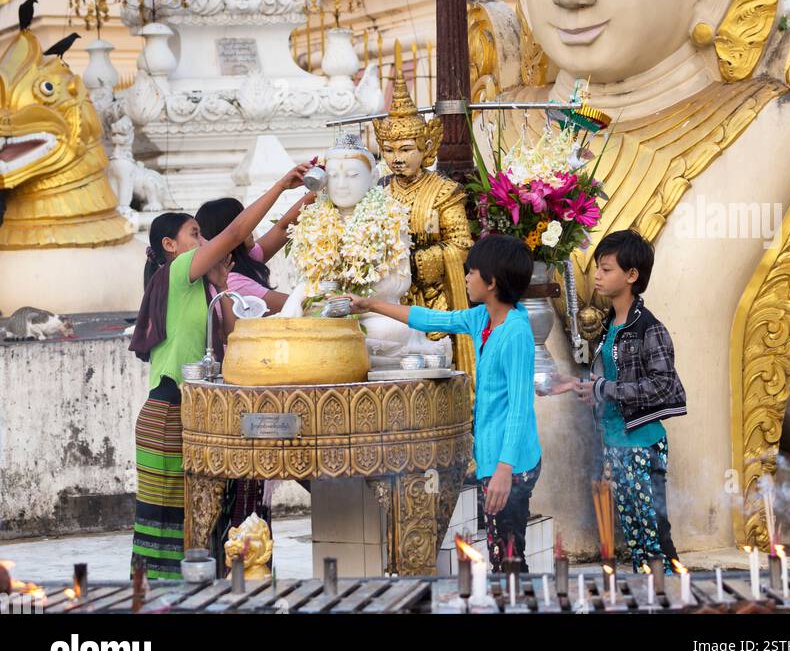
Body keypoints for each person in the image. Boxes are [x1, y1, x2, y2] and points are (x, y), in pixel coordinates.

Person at [128, 166, 307, 580]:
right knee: (168, 517)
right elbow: (233, 235)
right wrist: (280, 184)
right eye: (196, 234)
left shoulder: (205, 286)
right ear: (171, 246)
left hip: (194, 410)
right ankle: (157, 601)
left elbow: (230, 336)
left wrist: (224, 280)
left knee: (198, 518)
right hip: (167, 411)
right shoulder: (173, 274)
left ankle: (195, 596)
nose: (205, 241)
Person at [350, 232, 541, 572]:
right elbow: (430, 319)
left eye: (472, 271)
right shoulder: (482, 318)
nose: (466, 277)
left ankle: (517, 604)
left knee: (508, 557)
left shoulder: (516, 334)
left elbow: (519, 409)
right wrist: (370, 304)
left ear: (492, 282)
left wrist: (504, 469)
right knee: (502, 555)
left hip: (511, 463)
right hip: (493, 459)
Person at [543, 229, 686, 572]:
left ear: (632, 276)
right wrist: (579, 385)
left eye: (607, 269)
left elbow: (663, 387)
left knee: (655, 539)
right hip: (616, 444)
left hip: (641, 444)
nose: (598, 276)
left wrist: (603, 388)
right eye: (599, 268)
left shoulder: (650, 328)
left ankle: (675, 603)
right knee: (637, 540)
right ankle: (654, 602)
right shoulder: (612, 324)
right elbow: (609, 385)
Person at [196, 189, 316, 314]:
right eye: (245, 225)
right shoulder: (233, 281)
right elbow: (299, 305)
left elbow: (285, 227)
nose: (251, 227)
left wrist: (317, 193)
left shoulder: (242, 260)